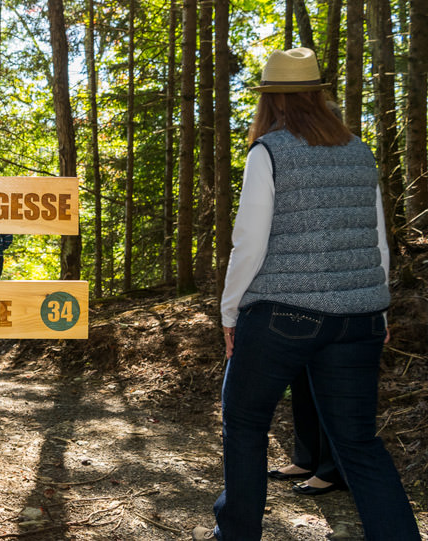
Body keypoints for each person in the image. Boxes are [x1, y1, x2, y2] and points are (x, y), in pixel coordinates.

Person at [193, 48, 420, 540]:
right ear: (319, 95)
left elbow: (249, 244)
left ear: (270, 101)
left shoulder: (269, 151)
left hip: (283, 316)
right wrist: (375, 308)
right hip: (358, 317)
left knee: (245, 423)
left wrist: (230, 312)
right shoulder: (360, 151)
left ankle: (236, 535)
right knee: (358, 443)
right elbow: (377, 238)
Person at [267, 100, 349, 497]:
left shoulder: (343, 164)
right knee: (299, 379)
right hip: (295, 295)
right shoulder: (292, 162)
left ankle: (333, 470)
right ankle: (306, 456)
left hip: (335, 297)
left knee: (327, 386)